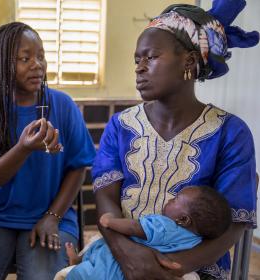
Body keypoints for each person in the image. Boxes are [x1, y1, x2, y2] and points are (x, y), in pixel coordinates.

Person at [92, 1, 258, 279]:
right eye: (137, 60)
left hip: (195, 267)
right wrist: (129, 256)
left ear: (189, 62)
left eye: (151, 57)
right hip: (119, 256)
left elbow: (233, 223)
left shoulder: (230, 132)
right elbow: (105, 198)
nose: (139, 68)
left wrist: (172, 268)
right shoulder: (121, 125)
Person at [0, 22, 96, 280]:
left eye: (40, 56)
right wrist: (23, 148)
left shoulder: (62, 105)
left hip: (53, 214)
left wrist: (53, 216)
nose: (37, 65)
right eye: (25, 58)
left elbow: (78, 167)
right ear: (3, 64)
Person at [60, 186, 232, 280]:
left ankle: (77, 265)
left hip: (114, 267)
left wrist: (110, 221)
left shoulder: (165, 225)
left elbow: (135, 228)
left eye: (176, 199)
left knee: (97, 250)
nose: (170, 198)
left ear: (184, 220)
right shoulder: (196, 240)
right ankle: (79, 261)